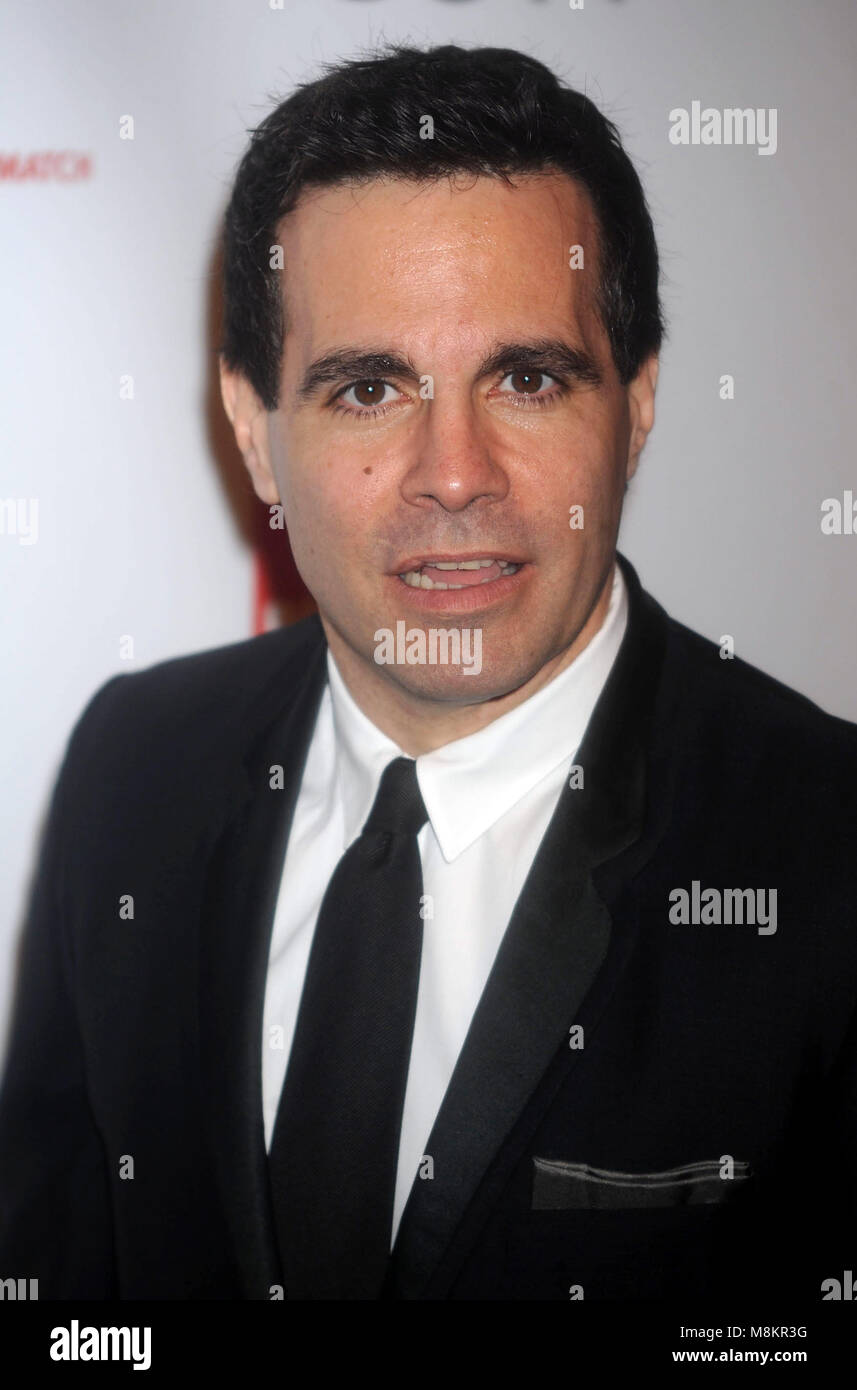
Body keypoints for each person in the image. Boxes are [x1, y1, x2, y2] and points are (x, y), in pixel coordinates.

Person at [1, 42, 855, 1302]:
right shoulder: (137, 760)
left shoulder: (828, 848)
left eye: (524, 377)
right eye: (366, 388)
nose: (453, 472)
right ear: (253, 431)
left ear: (637, 403)